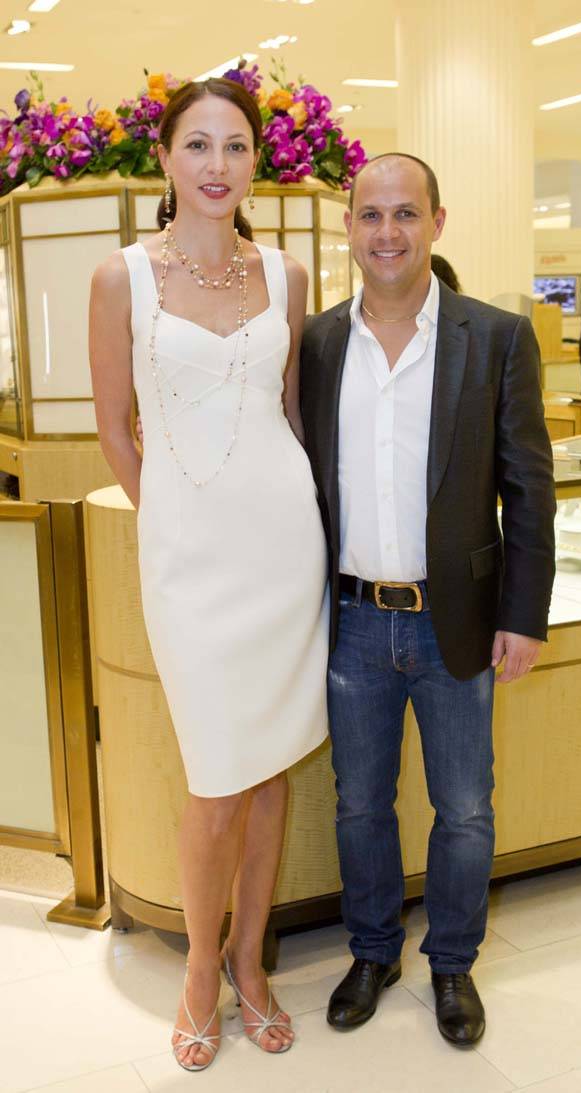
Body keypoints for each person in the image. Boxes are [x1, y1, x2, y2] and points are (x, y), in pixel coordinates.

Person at [89, 78, 329, 1072]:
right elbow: (115, 428)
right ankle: (199, 968)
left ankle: (249, 958)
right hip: (190, 560)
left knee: (266, 770)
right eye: (198, 144)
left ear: (257, 160)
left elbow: (295, 415)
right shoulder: (120, 277)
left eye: (236, 146)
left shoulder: (289, 272)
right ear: (166, 158)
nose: (217, 165)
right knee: (217, 777)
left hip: (285, 547)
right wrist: (170, 521)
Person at [299, 153, 556, 1046]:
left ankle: (453, 963)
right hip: (352, 621)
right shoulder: (317, 343)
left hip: (460, 620)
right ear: (349, 227)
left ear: (437, 223)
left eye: (406, 214)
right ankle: (373, 952)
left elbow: (529, 488)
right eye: (371, 215)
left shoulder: (497, 337)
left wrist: (523, 614)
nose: (388, 233)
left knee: (466, 806)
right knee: (359, 804)